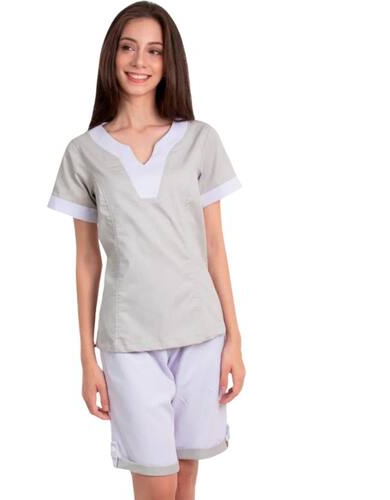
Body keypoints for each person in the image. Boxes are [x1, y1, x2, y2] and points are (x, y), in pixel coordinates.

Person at [47, 2, 246, 498]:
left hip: (201, 335)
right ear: (111, 56)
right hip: (129, 341)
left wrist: (234, 340)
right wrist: (87, 359)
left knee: (185, 480)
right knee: (156, 484)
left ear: (168, 61)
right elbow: (86, 261)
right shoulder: (84, 152)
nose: (140, 62)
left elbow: (215, 248)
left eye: (154, 51)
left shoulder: (200, 140)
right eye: (128, 47)